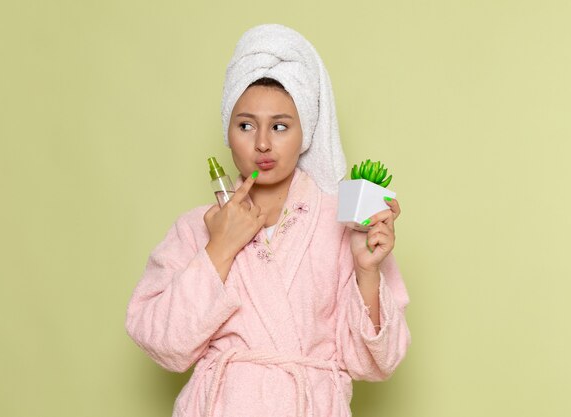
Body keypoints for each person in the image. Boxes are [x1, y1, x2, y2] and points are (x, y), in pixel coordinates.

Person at [125, 24, 411, 417]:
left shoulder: (345, 223)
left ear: (305, 134)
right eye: (245, 125)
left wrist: (366, 270)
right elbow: (162, 344)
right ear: (228, 132)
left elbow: (376, 364)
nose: (262, 143)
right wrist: (219, 249)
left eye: (280, 126)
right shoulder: (197, 227)